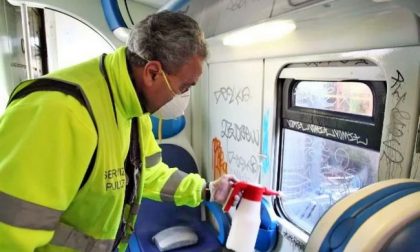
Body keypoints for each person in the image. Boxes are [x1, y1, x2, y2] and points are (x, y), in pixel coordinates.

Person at [0, 11, 236, 251]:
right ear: (152, 73)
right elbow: (10, 234)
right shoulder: (60, 113)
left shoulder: (131, 108)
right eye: (184, 86)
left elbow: (150, 174)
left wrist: (206, 190)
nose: (183, 97)